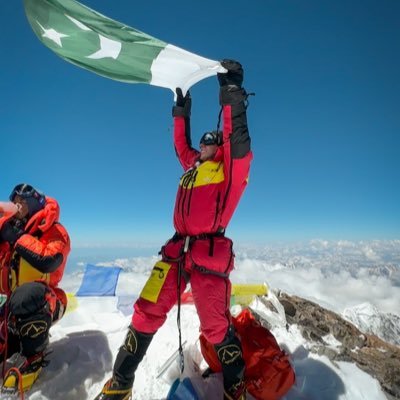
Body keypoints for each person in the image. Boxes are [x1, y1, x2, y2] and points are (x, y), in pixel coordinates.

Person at [95, 59, 252, 400]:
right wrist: (181, 106)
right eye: (205, 143)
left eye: (212, 142)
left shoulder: (229, 171)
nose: (206, 145)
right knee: (146, 309)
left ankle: (235, 387)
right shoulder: (193, 166)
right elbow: (181, 146)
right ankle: (120, 382)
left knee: (215, 326)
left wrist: (231, 92)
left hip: (208, 255)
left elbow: (235, 137)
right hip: (176, 251)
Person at [0, 183, 71, 392]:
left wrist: (17, 236)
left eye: (22, 202)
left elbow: (49, 260)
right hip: (11, 309)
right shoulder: (10, 234)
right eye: (15, 203)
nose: (17, 206)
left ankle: (34, 356)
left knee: (27, 295)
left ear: (34, 204)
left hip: (46, 301)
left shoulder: (54, 230)